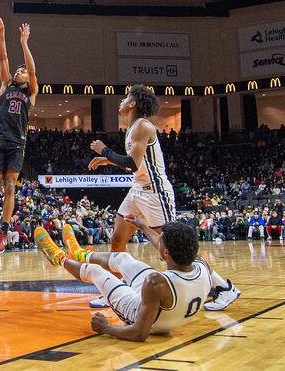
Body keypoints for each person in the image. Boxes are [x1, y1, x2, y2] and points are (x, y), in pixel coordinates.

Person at [88, 84, 240, 311]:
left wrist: (105, 151)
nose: (121, 101)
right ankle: (115, 287)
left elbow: (132, 164)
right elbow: (137, 163)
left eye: (126, 97)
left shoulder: (143, 126)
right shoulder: (132, 128)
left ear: (134, 103)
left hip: (155, 194)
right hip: (137, 189)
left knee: (176, 247)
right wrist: (108, 161)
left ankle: (224, 288)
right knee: (117, 239)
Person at [35, 217, 214, 342]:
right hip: (167, 311)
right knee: (123, 258)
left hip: (147, 322)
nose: (157, 242)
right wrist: (144, 226)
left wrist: (106, 327)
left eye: (161, 241)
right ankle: (79, 253)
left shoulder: (156, 282)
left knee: (96, 272)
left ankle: (58, 257)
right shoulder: (202, 265)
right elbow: (168, 246)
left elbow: (139, 333)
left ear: (166, 252)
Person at [0, 13, 38, 253]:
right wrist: (1, 32)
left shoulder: (31, 92)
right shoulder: (6, 85)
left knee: (9, 186)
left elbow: (34, 71)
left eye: (23, 71)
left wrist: (24, 43)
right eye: (19, 70)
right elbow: (2, 56)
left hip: (17, 142)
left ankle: (4, 232)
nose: (20, 71)